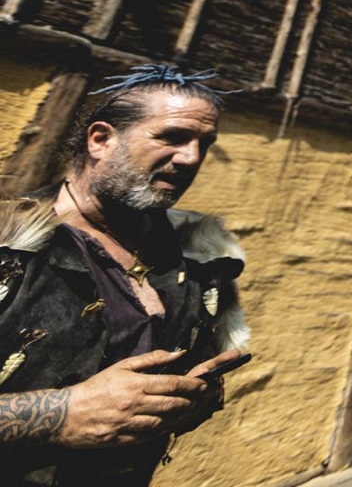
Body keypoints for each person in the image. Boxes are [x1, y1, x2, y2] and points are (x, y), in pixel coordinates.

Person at [0, 65, 249, 486]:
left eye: (204, 144)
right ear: (100, 140)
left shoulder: (201, 254)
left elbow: (197, 374)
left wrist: (193, 399)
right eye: (171, 137)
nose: (191, 158)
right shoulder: (10, 242)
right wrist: (63, 414)